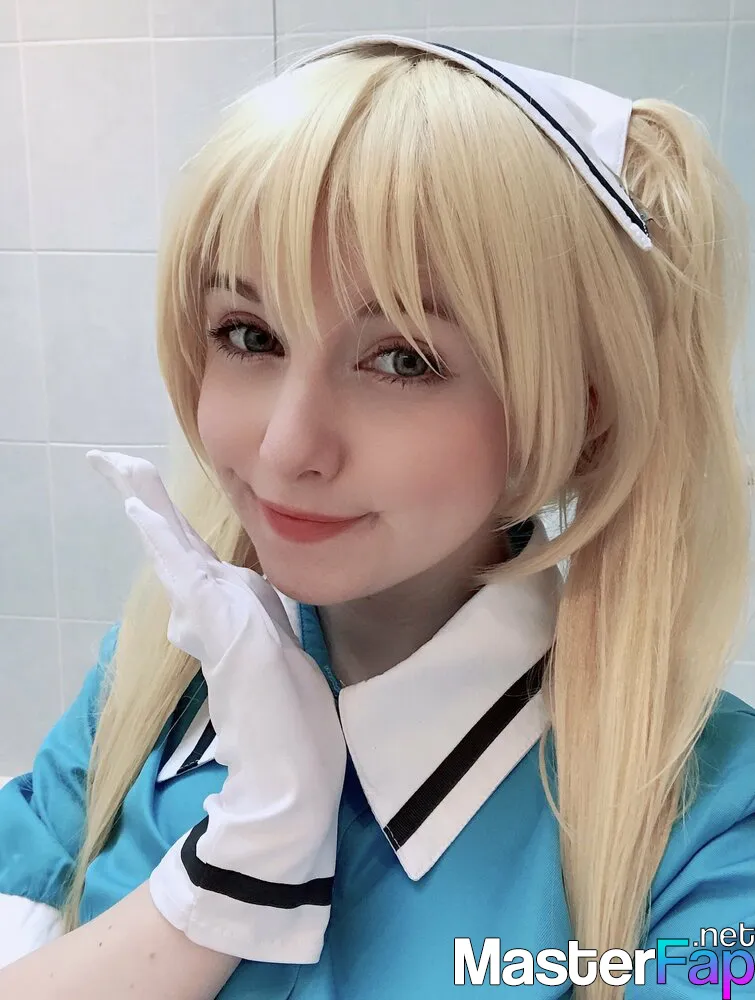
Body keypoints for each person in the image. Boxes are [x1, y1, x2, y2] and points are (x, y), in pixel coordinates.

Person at [0, 32, 753, 1000]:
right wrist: (225, 879)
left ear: (580, 413)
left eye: (403, 360)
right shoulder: (150, 683)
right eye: (248, 335)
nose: (285, 449)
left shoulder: (712, 826)